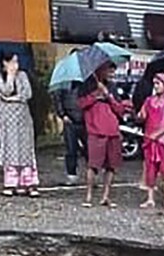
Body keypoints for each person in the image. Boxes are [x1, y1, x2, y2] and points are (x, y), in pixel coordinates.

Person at [78, 63, 131, 208]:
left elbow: (120, 109)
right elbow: (81, 104)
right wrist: (96, 95)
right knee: (93, 164)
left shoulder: (112, 87)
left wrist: (108, 95)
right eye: (109, 70)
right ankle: (88, 195)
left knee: (111, 166)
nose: (111, 74)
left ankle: (106, 196)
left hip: (112, 130)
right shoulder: (87, 86)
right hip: (96, 130)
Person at [0, 51, 39, 197]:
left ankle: (28, 183)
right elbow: (6, 90)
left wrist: (12, 99)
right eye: (13, 61)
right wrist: (10, 76)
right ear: (5, 63)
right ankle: (11, 183)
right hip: (7, 120)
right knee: (10, 149)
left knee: (25, 149)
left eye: (17, 61)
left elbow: (27, 94)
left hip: (23, 118)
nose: (16, 65)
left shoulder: (23, 75)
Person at [137, 73, 164, 211]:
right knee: (150, 169)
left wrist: (158, 133)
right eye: (154, 84)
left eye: (158, 83)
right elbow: (142, 117)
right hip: (150, 141)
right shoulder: (149, 101)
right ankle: (150, 198)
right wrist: (140, 115)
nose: (156, 86)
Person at [52, 48, 85, 186]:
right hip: (69, 118)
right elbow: (57, 97)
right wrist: (62, 114)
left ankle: (91, 174)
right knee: (71, 149)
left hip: (85, 118)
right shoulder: (63, 77)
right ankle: (72, 174)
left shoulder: (86, 77)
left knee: (90, 148)